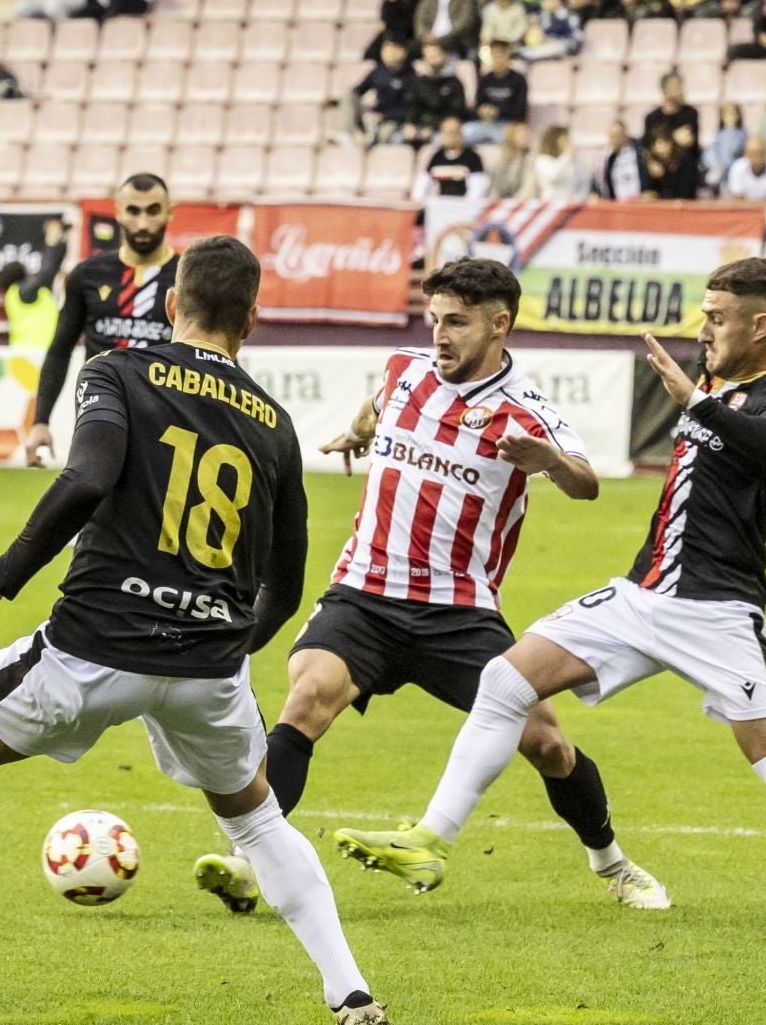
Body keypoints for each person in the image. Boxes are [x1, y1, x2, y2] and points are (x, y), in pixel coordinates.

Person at [0, 236, 389, 1025]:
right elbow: (286, 585)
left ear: (171, 304)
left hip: (92, 650)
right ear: (253, 317)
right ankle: (348, 991)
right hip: (209, 668)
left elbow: (85, 479)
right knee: (255, 817)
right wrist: (222, 645)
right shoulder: (276, 426)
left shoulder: (118, 370)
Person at [333, 259, 766, 925]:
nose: (703, 328)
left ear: (760, 326)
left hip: (715, 611)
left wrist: (707, 402)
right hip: (640, 594)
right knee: (506, 682)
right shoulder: (741, 372)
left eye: (717, 317)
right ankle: (430, 842)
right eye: (705, 313)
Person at [194, 257, 667, 917]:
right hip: (366, 592)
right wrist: (355, 434)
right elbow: (376, 406)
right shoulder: (405, 371)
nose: (439, 335)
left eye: (458, 323)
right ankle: (249, 864)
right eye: (434, 319)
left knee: (548, 745)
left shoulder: (523, 408)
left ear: (500, 325)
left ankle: (612, 864)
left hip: (459, 611)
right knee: (308, 697)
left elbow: (586, 481)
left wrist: (549, 462)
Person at [23, 175, 176, 468]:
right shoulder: (87, 274)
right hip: (100, 419)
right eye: (133, 210)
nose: (142, 223)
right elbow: (60, 349)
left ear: (170, 211)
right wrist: (40, 421)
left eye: (153, 210)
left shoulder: (188, 276)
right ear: (118, 212)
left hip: (166, 426)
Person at [0, 229, 66, 354]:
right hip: (35, 351)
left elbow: (52, 267)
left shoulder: (16, 294)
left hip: (26, 350)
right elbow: (46, 272)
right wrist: (51, 243)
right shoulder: (23, 292)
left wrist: (61, 241)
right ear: (22, 273)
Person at [346, 38, 413, 144]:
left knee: (385, 134)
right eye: (385, 50)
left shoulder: (411, 77)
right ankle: (349, 134)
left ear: (403, 52)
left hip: (393, 120)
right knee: (348, 94)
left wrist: (384, 117)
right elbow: (358, 91)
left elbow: (409, 109)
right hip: (375, 115)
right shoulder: (378, 72)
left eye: (392, 50)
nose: (388, 54)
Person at [465, 40, 528, 145]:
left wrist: (498, 112)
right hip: (485, 124)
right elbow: (477, 105)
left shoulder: (518, 80)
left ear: (508, 57)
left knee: (517, 139)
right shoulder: (485, 79)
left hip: (508, 125)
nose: (498, 60)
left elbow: (521, 111)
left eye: (501, 55)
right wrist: (482, 111)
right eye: (495, 55)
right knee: (458, 135)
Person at [415, 116, 487, 199]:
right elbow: (421, 186)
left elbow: (476, 191)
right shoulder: (437, 157)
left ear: (461, 133)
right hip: (441, 204)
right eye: (446, 133)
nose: (451, 136)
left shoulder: (473, 157)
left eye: (454, 132)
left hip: (464, 205)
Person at [642, 70, 698, 148]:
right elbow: (650, 146)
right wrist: (673, 137)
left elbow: (692, 146)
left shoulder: (690, 114)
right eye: (676, 87)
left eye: (681, 86)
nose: (681, 91)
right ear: (665, 90)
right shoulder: (652, 119)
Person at [531, 124, 579, 197]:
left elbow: (579, 181)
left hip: (570, 202)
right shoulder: (542, 160)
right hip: (551, 203)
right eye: (564, 139)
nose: (567, 142)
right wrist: (567, 155)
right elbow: (554, 175)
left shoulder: (570, 160)